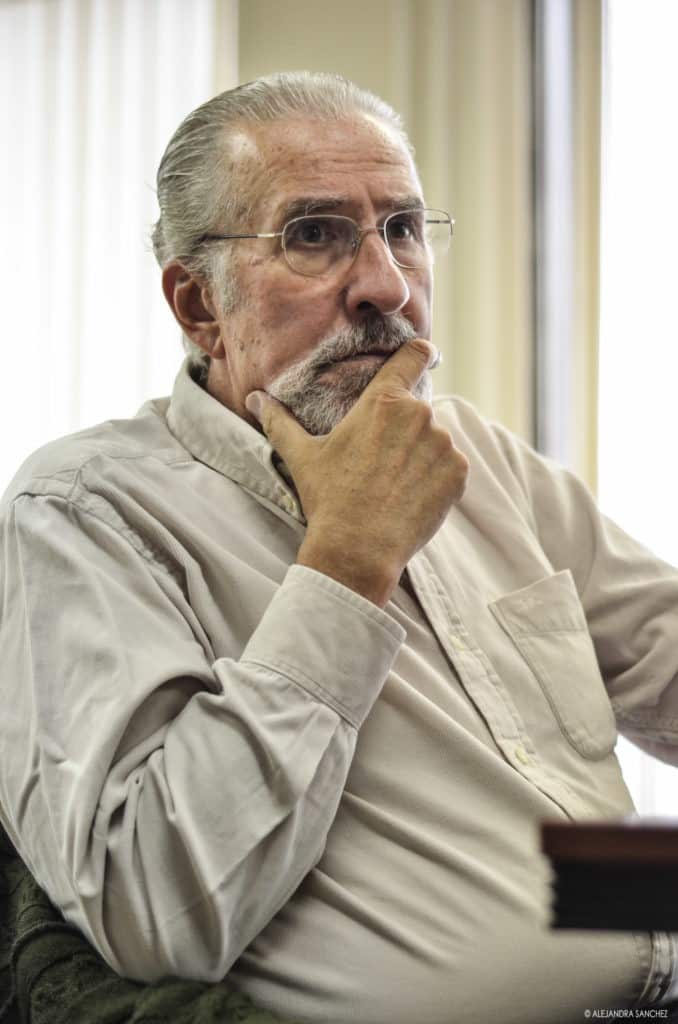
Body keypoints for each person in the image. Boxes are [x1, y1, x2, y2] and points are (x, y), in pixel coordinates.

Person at [1, 71, 677, 1024]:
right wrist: (347, 565)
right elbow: (152, 910)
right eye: (315, 234)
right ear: (198, 305)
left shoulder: (470, 453)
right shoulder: (86, 511)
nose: (386, 285)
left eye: (402, 229)